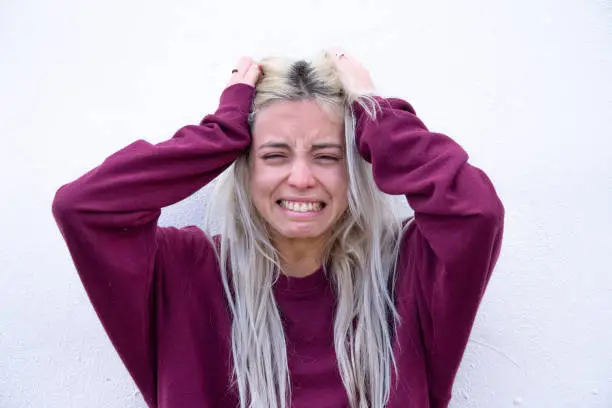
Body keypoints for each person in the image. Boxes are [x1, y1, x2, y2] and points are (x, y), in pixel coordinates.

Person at [52, 49, 505, 408]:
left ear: (355, 166)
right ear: (245, 168)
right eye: (274, 155)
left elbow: (476, 214)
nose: (302, 178)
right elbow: (84, 208)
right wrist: (221, 132)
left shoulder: (408, 274)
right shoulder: (183, 275)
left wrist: (378, 113)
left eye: (327, 156)